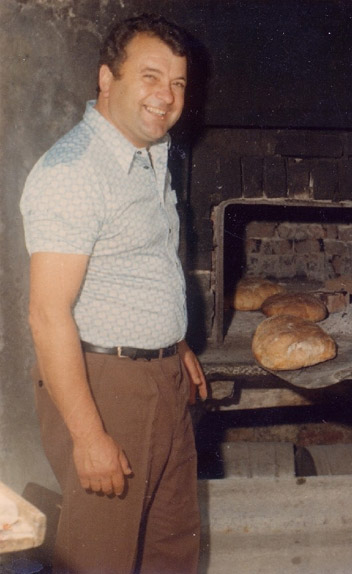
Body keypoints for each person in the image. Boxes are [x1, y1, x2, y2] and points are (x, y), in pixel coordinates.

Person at [20, 14, 207, 574]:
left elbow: (141, 263)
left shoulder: (150, 153)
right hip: (105, 385)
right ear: (107, 79)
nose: (166, 96)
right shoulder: (74, 171)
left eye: (177, 82)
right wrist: (89, 436)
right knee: (100, 560)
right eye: (150, 77)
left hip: (161, 377)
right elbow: (47, 314)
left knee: (170, 550)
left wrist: (175, 343)